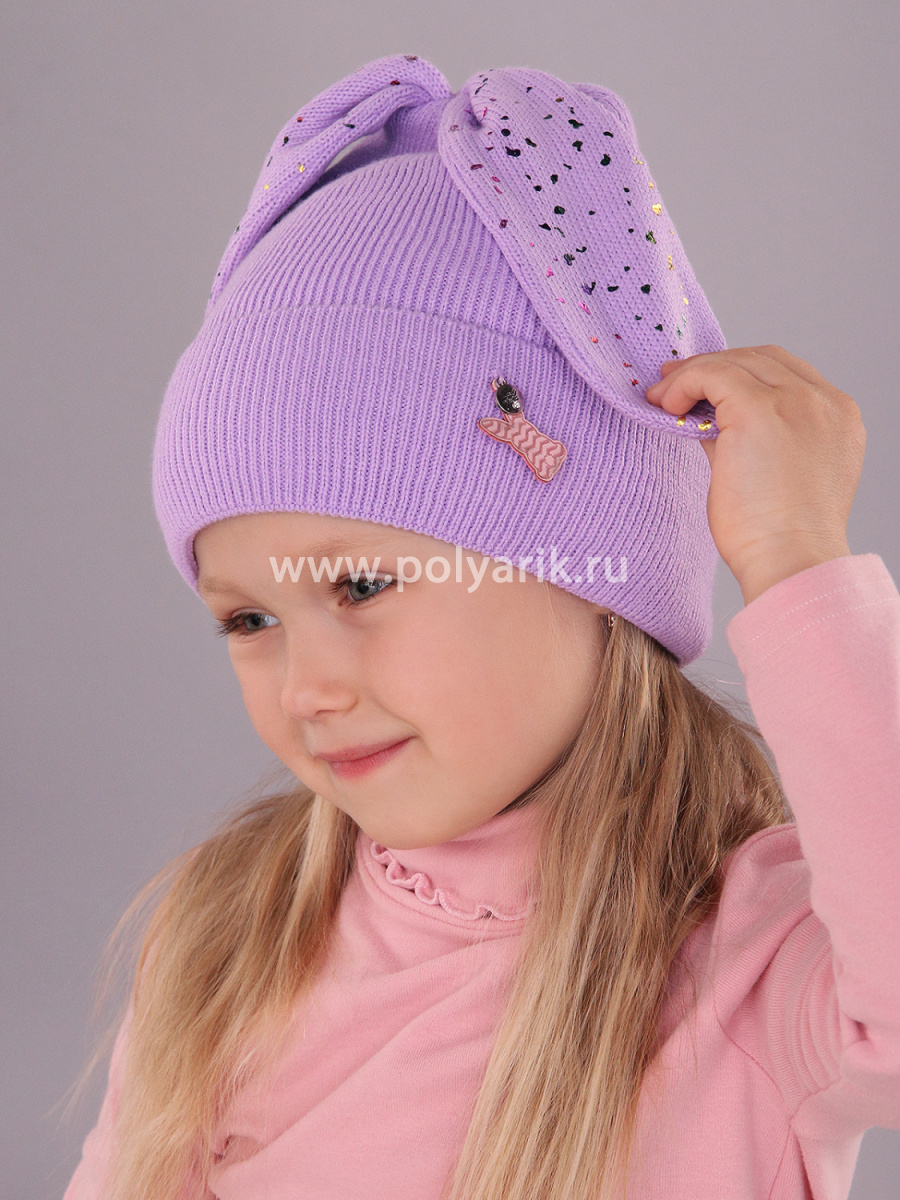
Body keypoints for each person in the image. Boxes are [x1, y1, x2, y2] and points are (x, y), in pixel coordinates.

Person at [63, 53, 900, 1200]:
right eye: (249, 618)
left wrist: (794, 553)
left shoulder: (747, 968)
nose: (308, 687)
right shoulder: (227, 940)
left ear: (590, 578)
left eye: (362, 586)